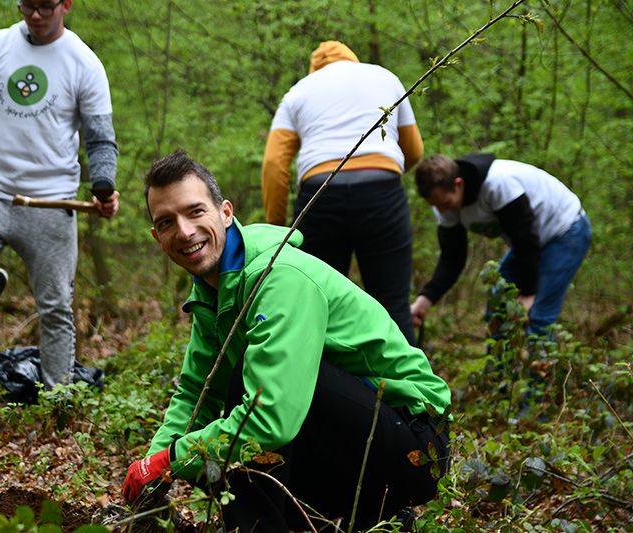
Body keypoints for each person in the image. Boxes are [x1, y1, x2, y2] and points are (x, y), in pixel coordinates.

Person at [124, 150, 451, 531]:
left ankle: (348, 512)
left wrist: (171, 458)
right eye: (166, 222)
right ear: (157, 237)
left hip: (415, 444)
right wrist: (154, 465)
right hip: (351, 437)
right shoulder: (212, 292)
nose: (184, 231)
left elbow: (270, 420)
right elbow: (198, 393)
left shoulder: (279, 277)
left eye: (195, 211)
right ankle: (354, 519)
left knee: (250, 395)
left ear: (225, 213)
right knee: (212, 439)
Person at [0, 0, 119, 389]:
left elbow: (100, 139)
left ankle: (58, 397)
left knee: (55, 307)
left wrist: (103, 185)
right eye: (28, 5)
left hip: (52, 201)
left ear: (66, 5)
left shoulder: (84, 63)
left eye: (46, 6)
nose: (35, 15)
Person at [261, 40, 424, 345]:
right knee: (393, 305)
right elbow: (414, 150)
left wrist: (278, 227)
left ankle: (328, 376)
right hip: (382, 193)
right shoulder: (385, 78)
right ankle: (410, 377)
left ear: (314, 68)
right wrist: (383, 175)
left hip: (320, 197)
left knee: (320, 305)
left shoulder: (297, 93)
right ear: (353, 59)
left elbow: (273, 165)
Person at [410, 154, 591, 339]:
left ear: (458, 184)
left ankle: (541, 356)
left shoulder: (497, 183)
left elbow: (525, 238)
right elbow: (452, 258)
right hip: (530, 243)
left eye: (445, 204)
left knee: (539, 315)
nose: (442, 211)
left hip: (566, 230)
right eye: (436, 206)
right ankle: (499, 358)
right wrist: (425, 300)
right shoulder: (444, 203)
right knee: (497, 307)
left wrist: (528, 292)